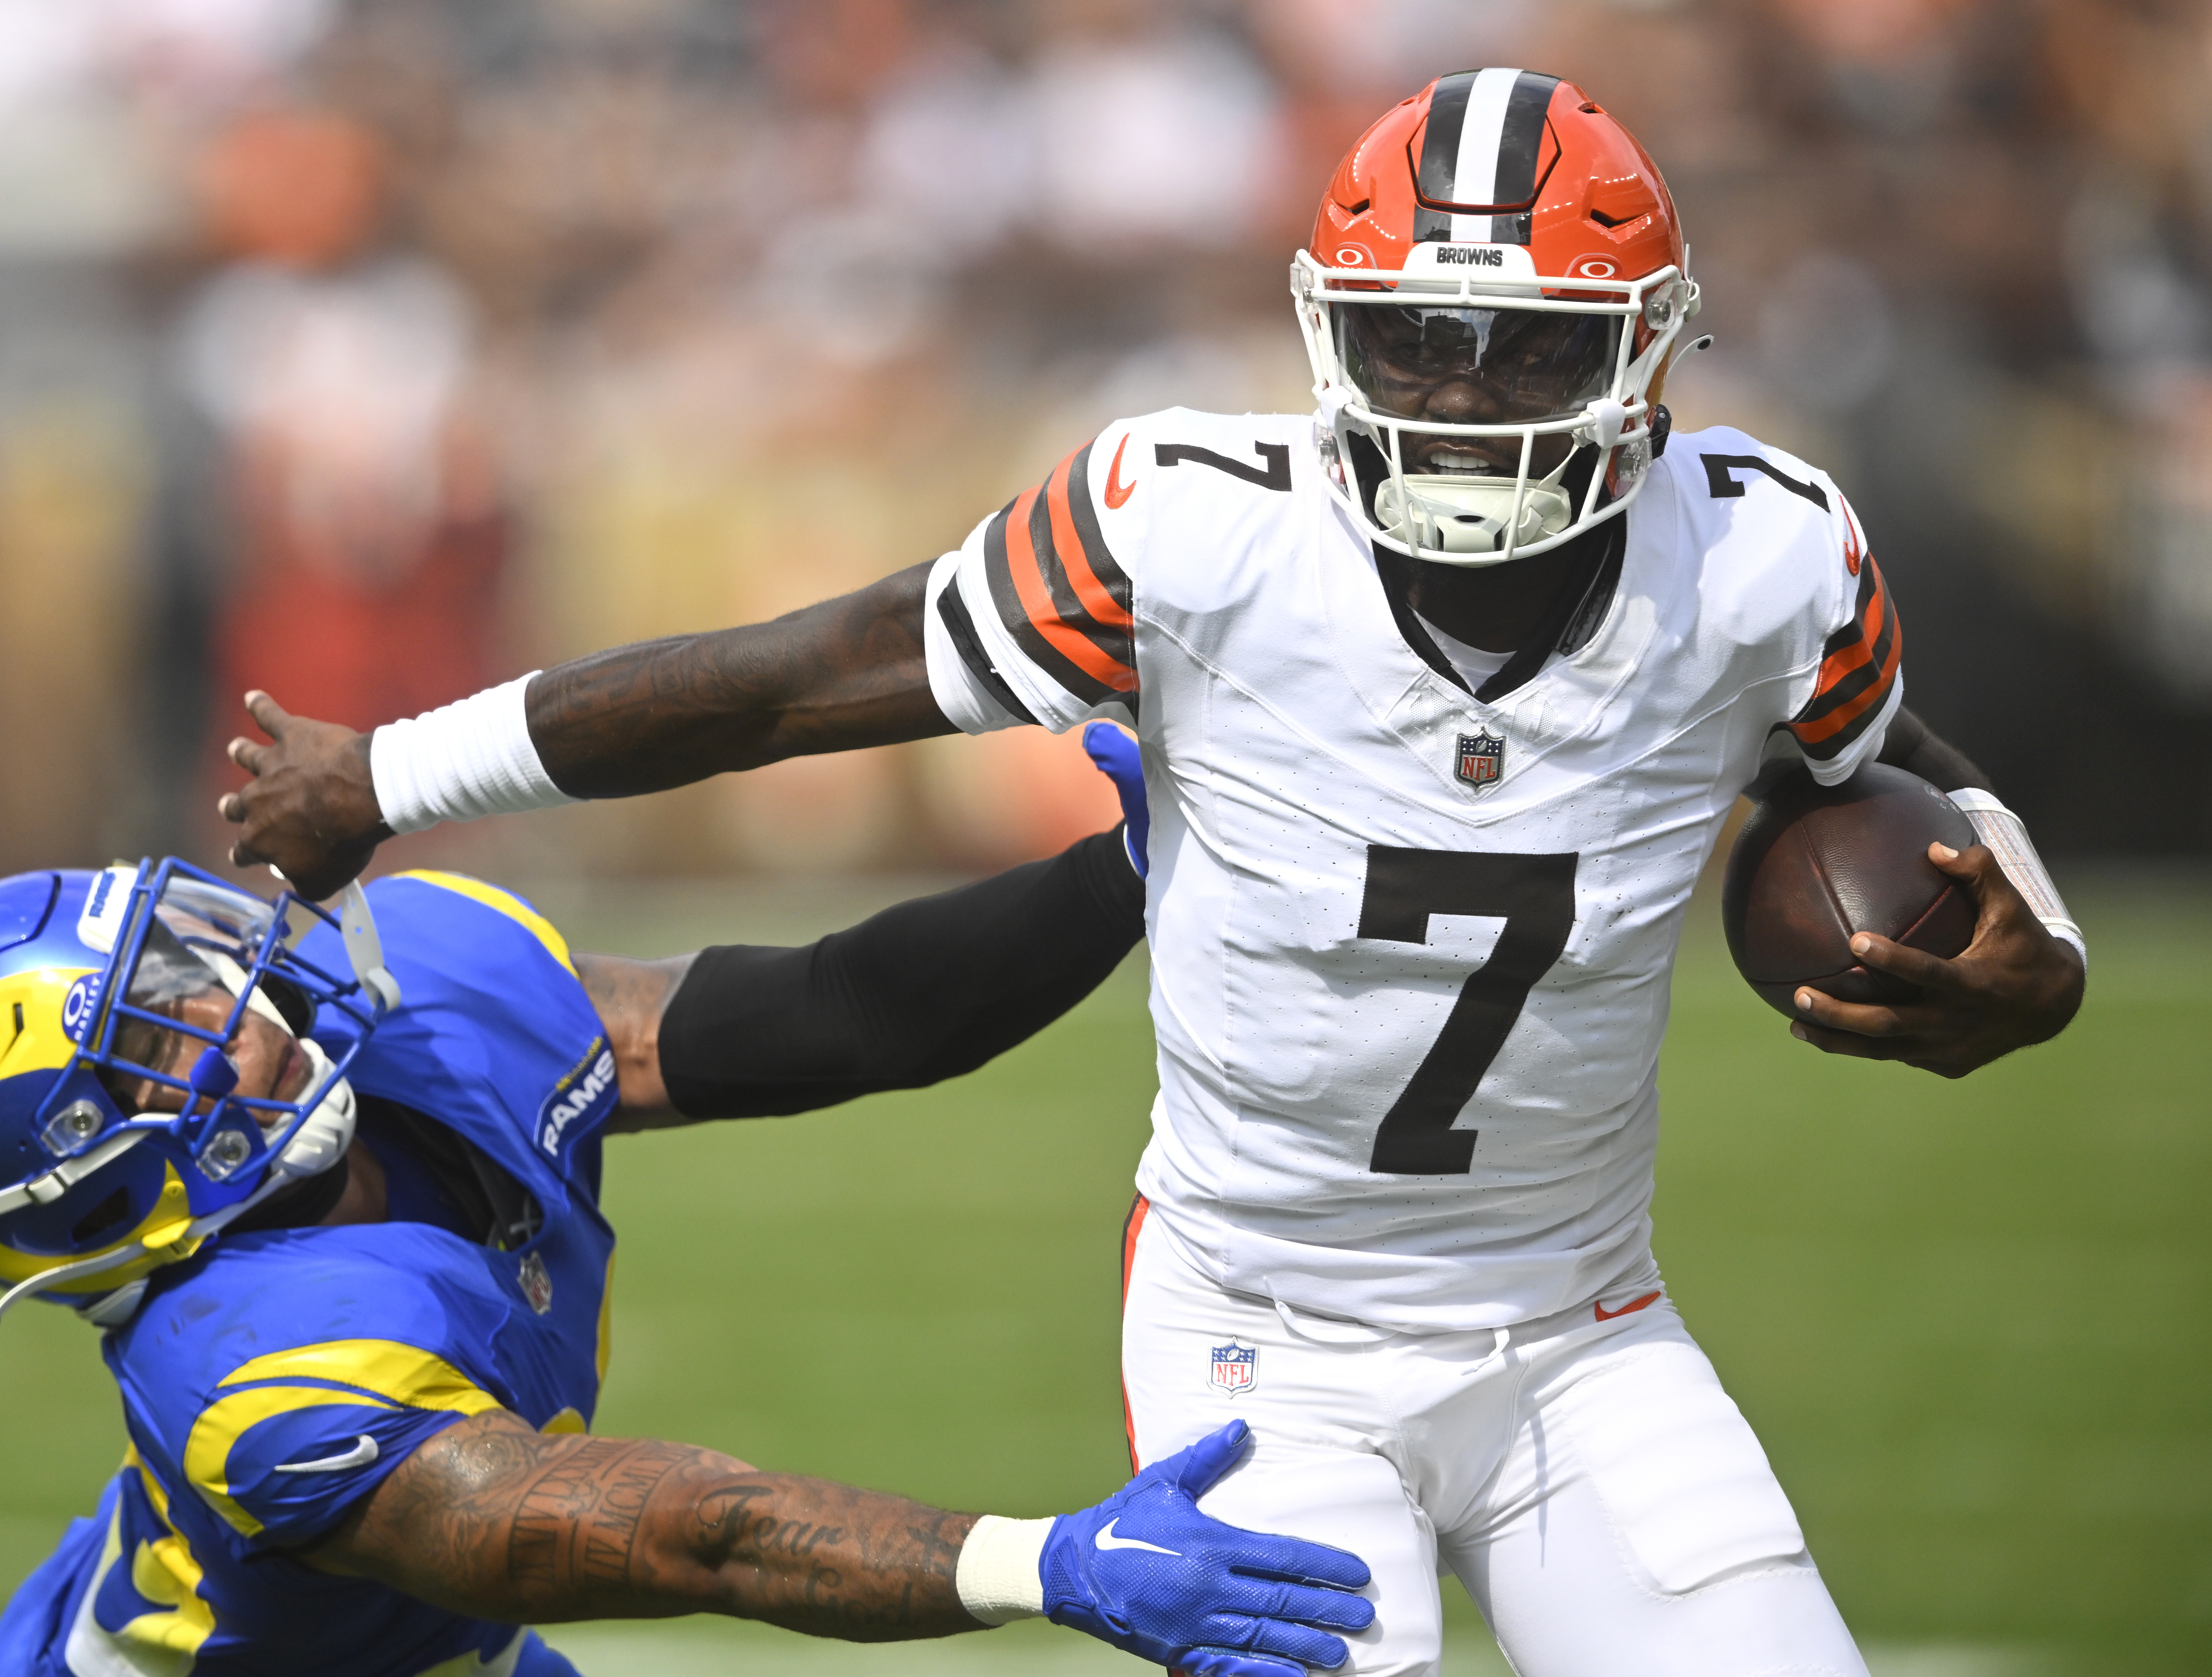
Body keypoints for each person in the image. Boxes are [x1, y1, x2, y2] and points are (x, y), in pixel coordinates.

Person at [219, 70, 2089, 1676]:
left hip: (1588, 1331)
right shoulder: (1186, 523)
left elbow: (1873, 762)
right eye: (1413, 336)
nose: (1458, 390)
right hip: (1259, 1336)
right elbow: (793, 680)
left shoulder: (1763, 557)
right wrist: (388, 769)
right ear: (1326, 329)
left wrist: (2034, 938)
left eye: (1524, 338)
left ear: (1647, 346)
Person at [0, 795, 1375, 1677]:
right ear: (91, 1187)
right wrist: (1037, 1560)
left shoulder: (419, 997)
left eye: (175, 959)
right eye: (155, 1039)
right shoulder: (256, 1370)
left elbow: (838, 1013)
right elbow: (677, 1529)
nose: (224, 997)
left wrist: (1139, 858)